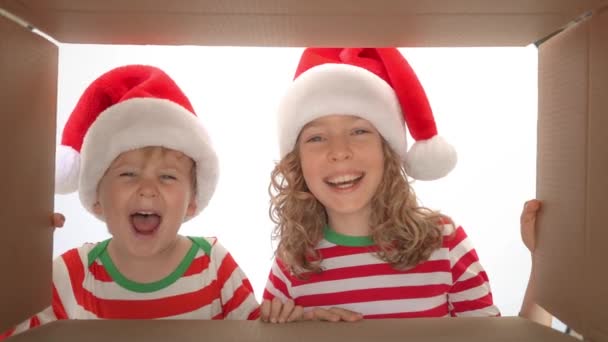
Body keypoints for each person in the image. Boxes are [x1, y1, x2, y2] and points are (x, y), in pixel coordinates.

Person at [260, 48, 550, 325]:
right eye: (316, 137)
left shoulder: (444, 242)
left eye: (359, 131)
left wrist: (546, 262)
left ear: (389, 150)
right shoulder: (292, 262)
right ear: (296, 164)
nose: (339, 151)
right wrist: (295, 328)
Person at [2, 65, 259, 339]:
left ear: (193, 202)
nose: (147, 189)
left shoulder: (215, 266)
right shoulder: (71, 273)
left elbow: (258, 335)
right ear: (96, 198)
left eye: (168, 176)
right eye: (128, 174)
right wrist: (18, 251)